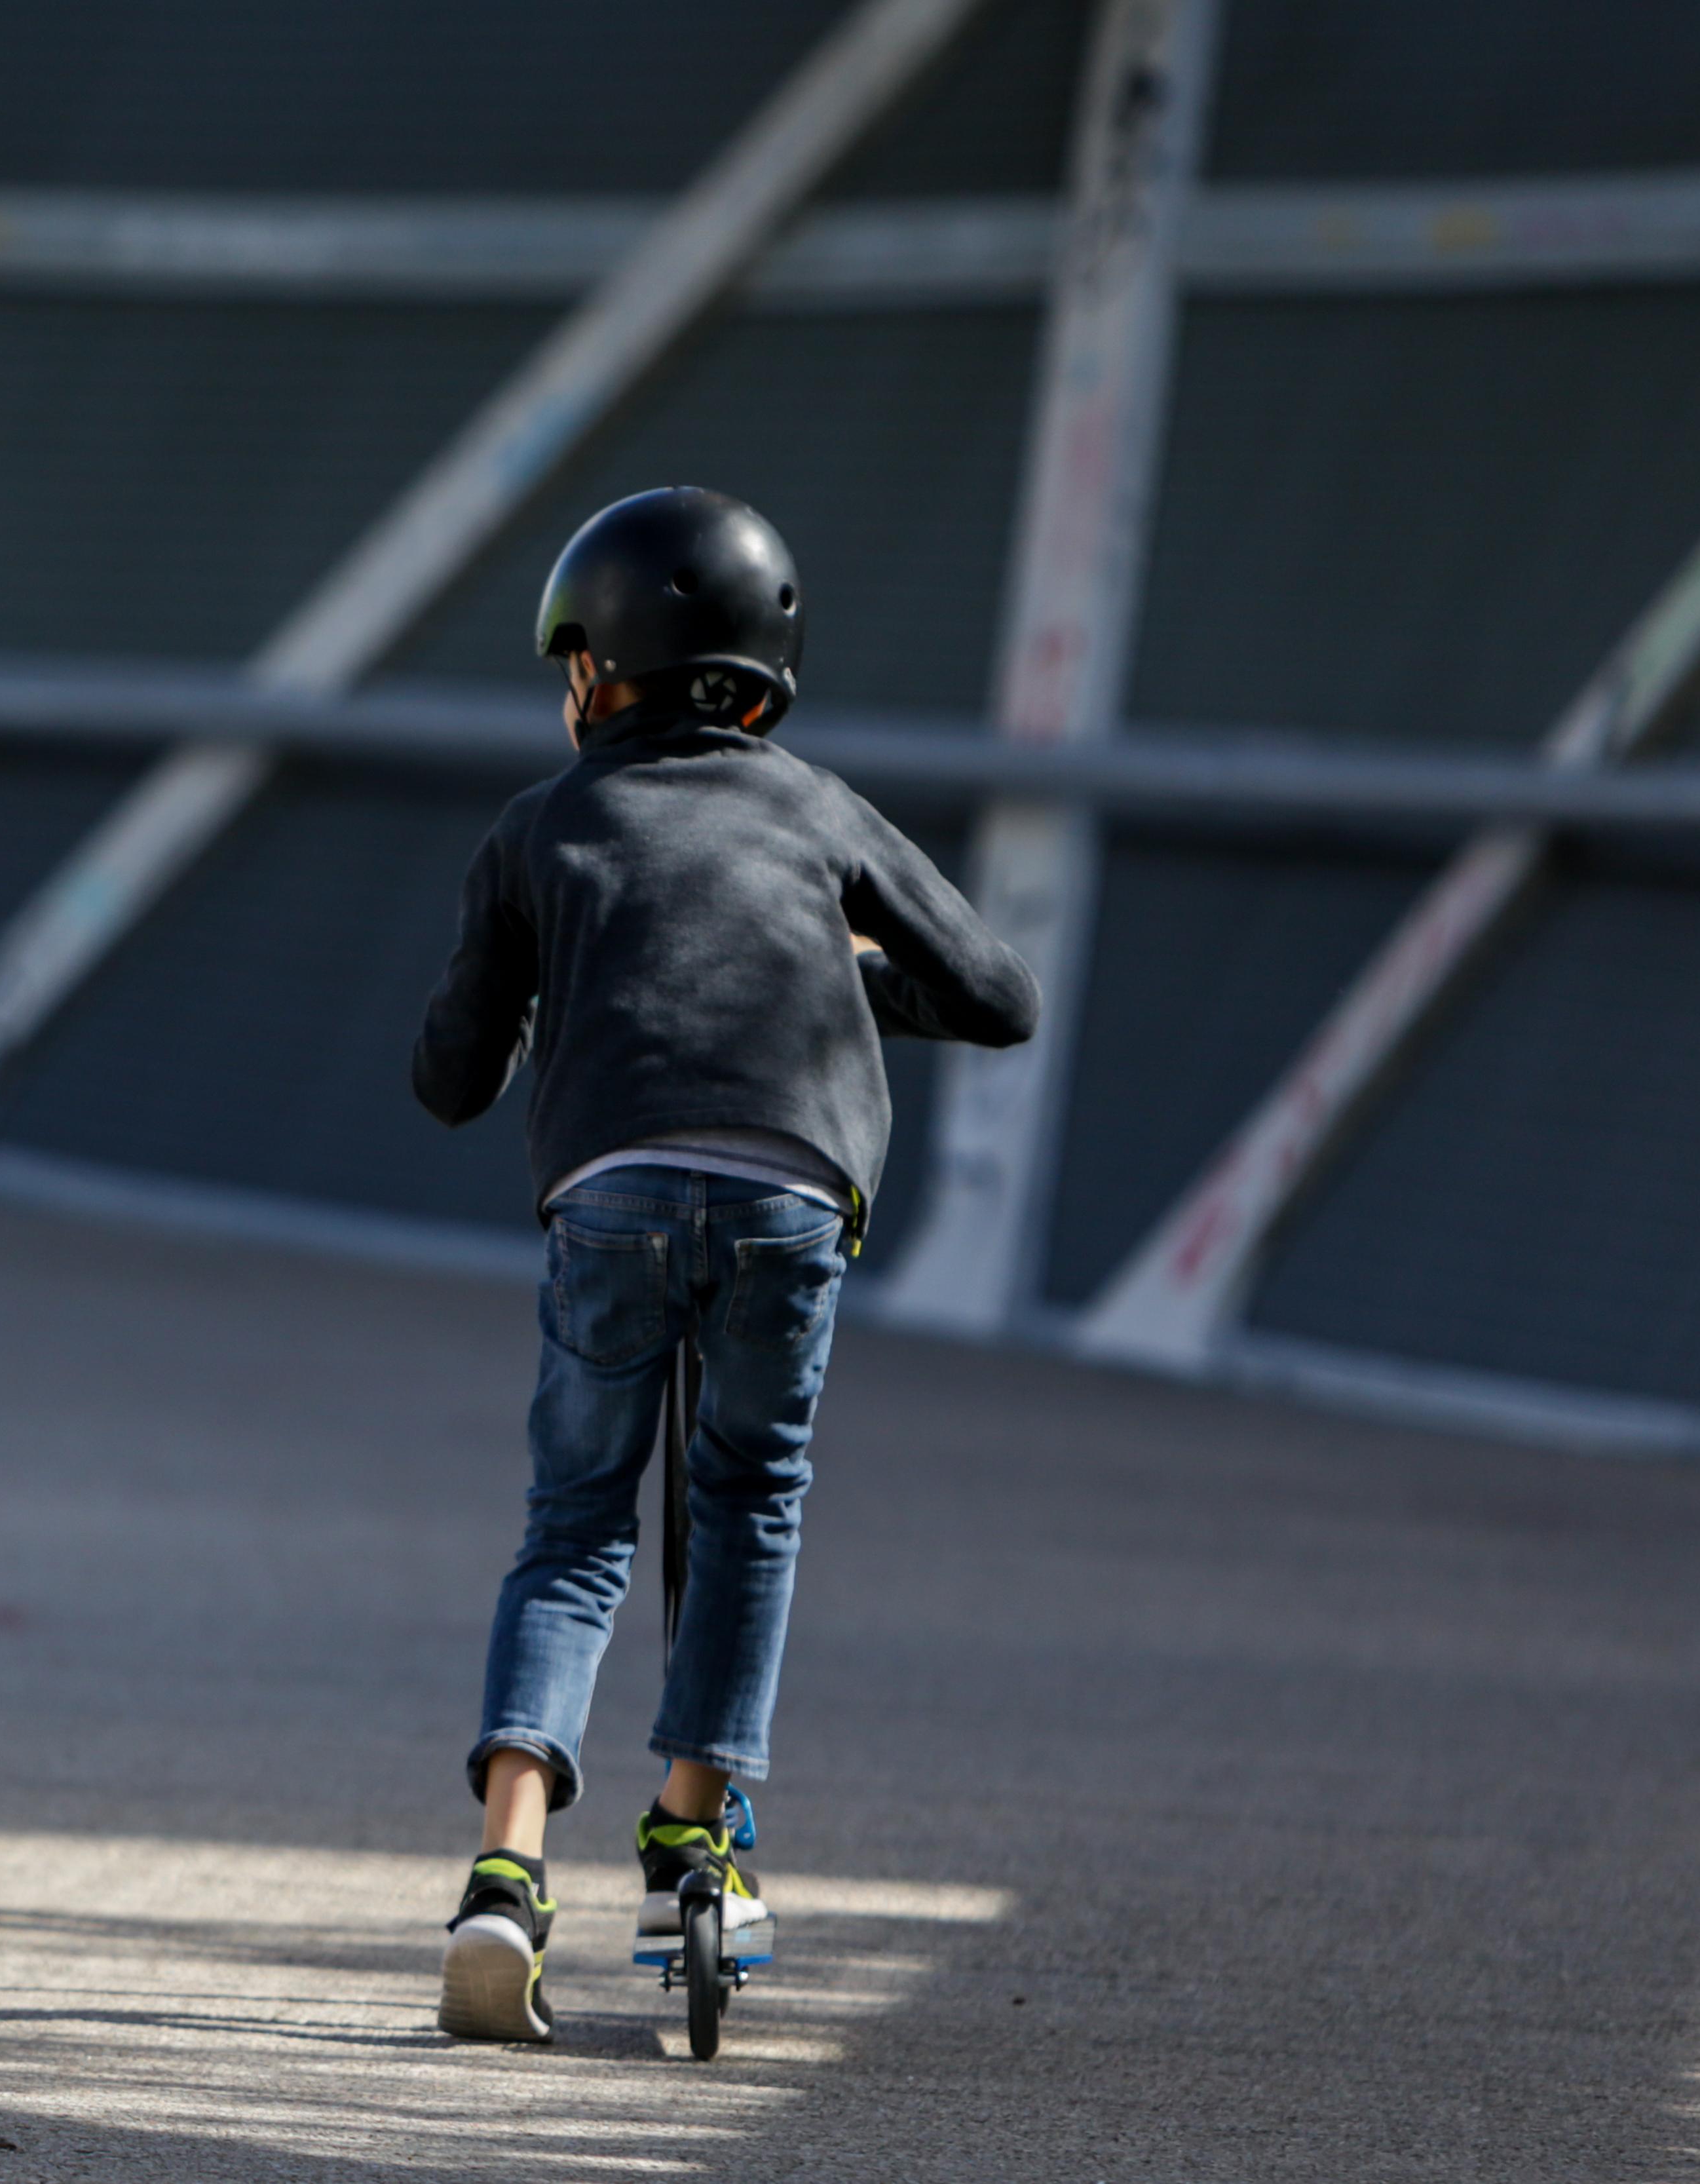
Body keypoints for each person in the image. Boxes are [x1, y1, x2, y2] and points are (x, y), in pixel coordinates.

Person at [411, 488, 1038, 2042]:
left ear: (595, 676)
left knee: (572, 1528)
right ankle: (697, 1834)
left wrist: (559, 980)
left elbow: (445, 1075)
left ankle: (504, 1878)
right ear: (760, 680)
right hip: (788, 1195)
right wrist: (817, 974)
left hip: (613, 1199)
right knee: (747, 1497)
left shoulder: (538, 825)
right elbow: (995, 994)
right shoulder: (818, 807)